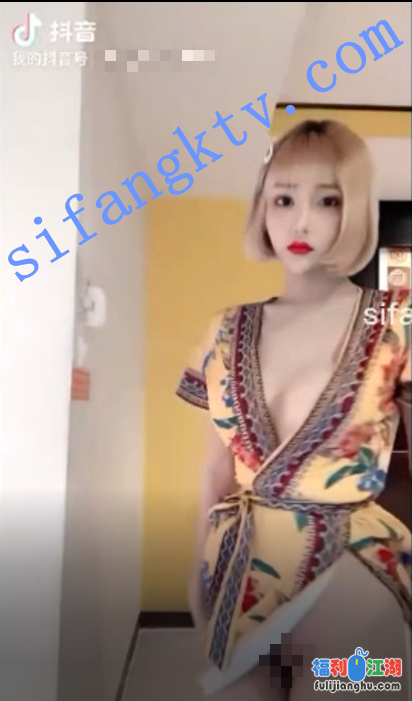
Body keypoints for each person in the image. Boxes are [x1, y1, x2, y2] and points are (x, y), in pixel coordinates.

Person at [176, 120, 411, 700]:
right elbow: (213, 472)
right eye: (283, 199)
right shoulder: (224, 330)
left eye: (327, 200)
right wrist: (194, 573)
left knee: (349, 687)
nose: (301, 221)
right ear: (263, 208)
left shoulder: (395, 321)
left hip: (355, 583)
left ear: (354, 209)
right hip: (238, 575)